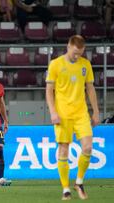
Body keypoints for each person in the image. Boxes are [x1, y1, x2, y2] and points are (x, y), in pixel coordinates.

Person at [46, 35, 100, 200]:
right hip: (62, 114)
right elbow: (49, 90)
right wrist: (53, 112)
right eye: (75, 52)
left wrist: (96, 112)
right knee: (63, 150)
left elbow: (90, 88)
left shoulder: (85, 64)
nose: (77, 56)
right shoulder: (55, 64)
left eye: (81, 53)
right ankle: (65, 189)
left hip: (81, 113)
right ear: (68, 46)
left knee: (88, 148)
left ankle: (79, 182)